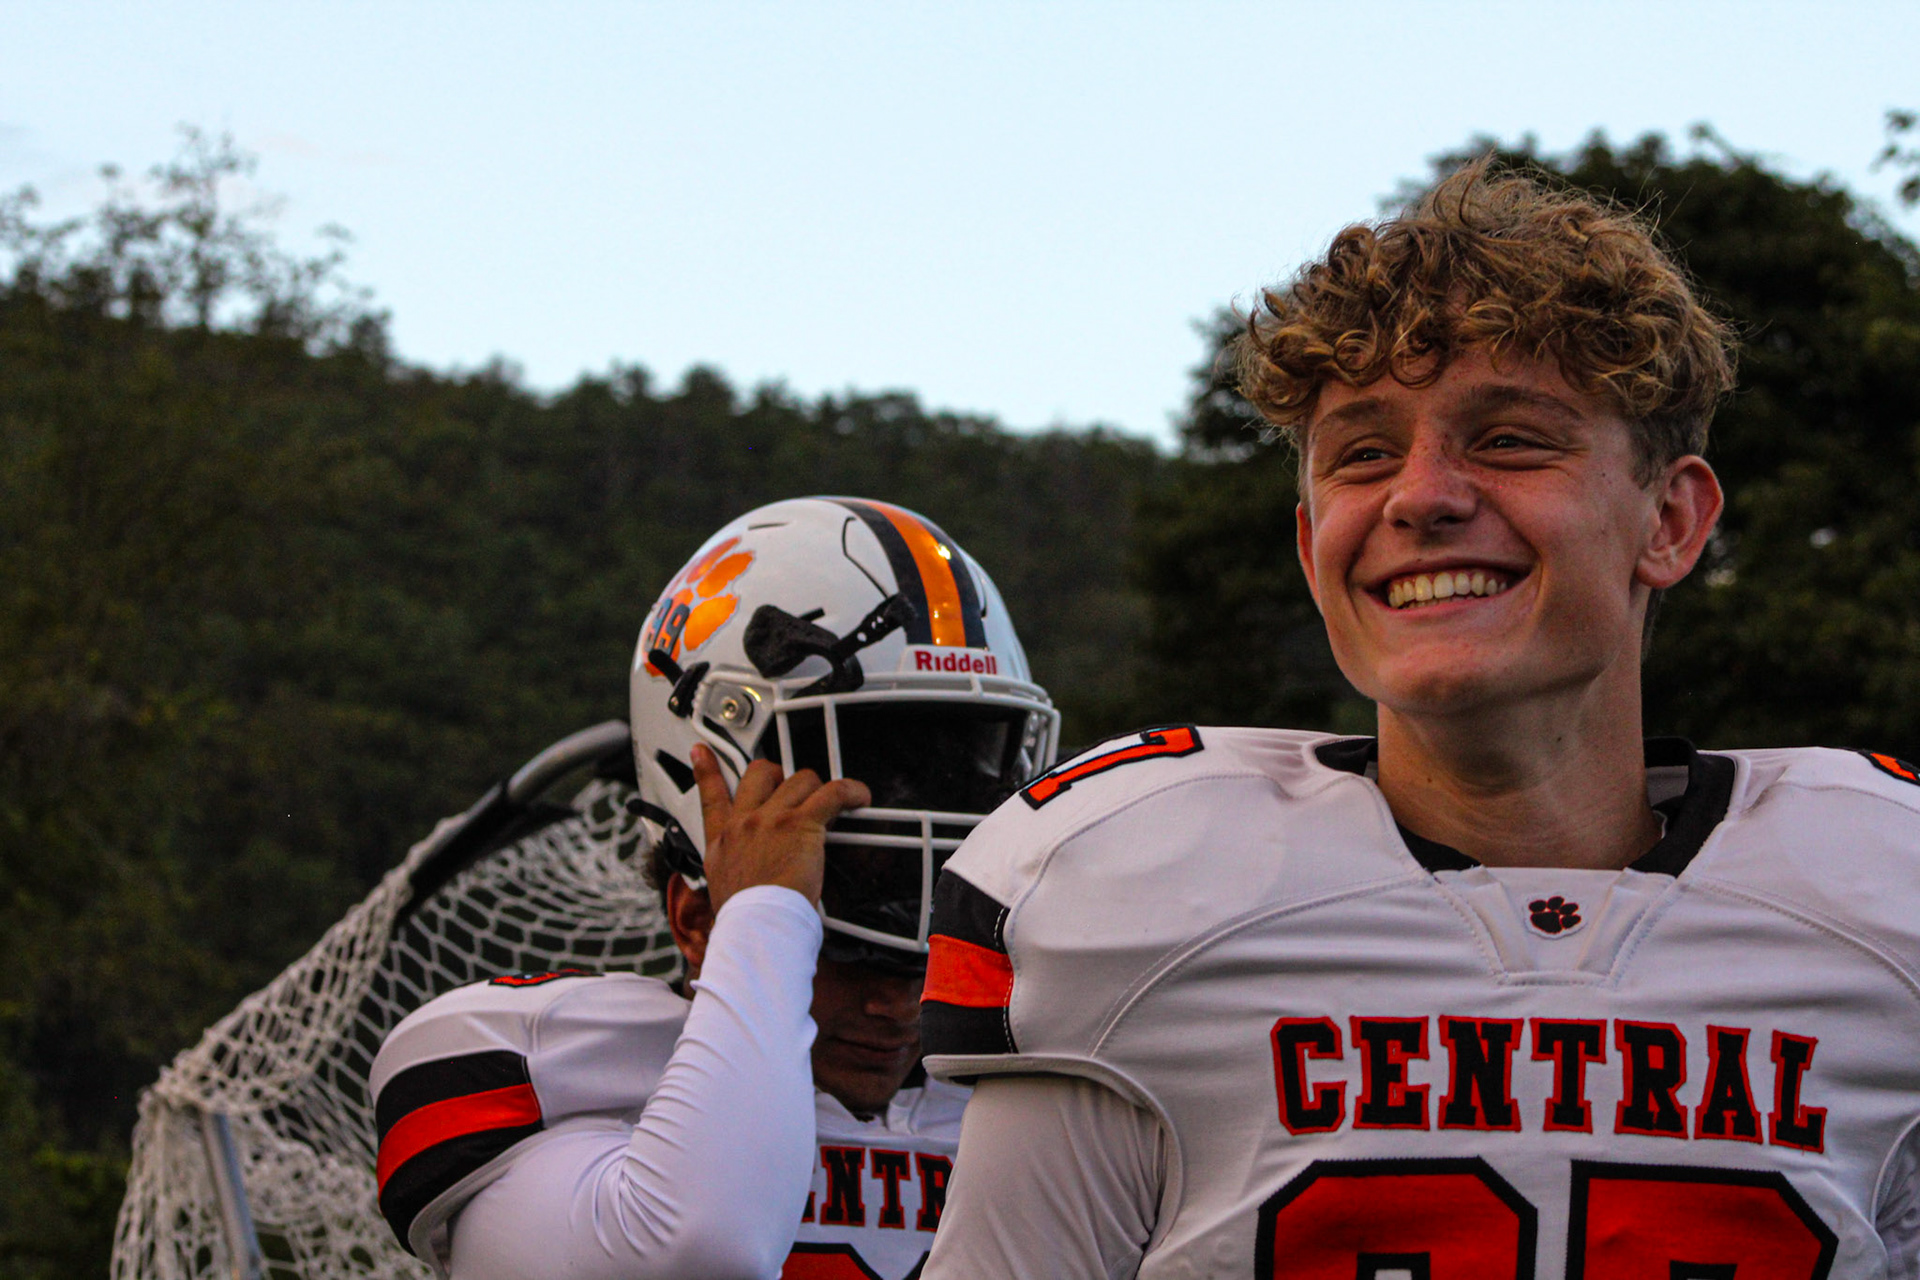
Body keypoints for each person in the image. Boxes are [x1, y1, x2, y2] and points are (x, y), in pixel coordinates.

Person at [919, 162, 1920, 1277]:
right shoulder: (1136, 900)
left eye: (1509, 439)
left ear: (1671, 522)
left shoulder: (1885, 906)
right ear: (1313, 549)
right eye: (1363, 454)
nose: (1422, 495)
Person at [370, 496, 1059, 1280]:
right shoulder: (550, 1077)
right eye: (852, 954)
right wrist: (768, 913)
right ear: (696, 917)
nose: (899, 1006)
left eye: (927, 962)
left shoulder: (1025, 1107)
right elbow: (703, 1246)